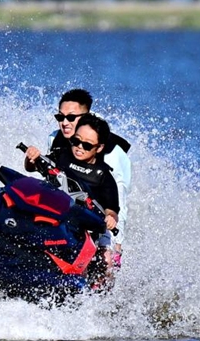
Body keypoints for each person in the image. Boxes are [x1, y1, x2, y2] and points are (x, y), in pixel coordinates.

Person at [24, 89, 132, 266]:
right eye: (60, 117)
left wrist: (114, 245)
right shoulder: (56, 139)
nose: (65, 123)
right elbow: (51, 175)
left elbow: (117, 206)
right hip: (70, 207)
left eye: (71, 118)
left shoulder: (112, 156)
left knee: (108, 254)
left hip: (104, 208)